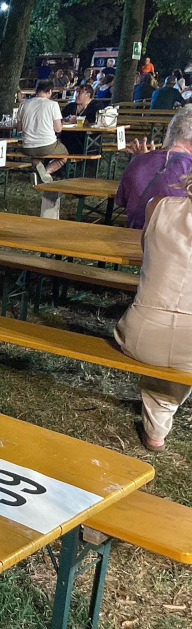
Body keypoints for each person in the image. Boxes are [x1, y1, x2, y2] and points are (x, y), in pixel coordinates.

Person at [114, 175, 192, 452]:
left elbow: (147, 248)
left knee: (168, 343)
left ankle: (157, 428)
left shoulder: (157, 205)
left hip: (140, 331)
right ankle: (157, 425)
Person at [116, 107, 192, 229]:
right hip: (173, 237)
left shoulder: (138, 161)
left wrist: (147, 160)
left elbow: (121, 201)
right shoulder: (188, 167)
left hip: (137, 232)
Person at [17, 79, 68, 181]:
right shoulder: (53, 104)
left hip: (27, 146)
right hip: (47, 145)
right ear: (50, 91)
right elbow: (58, 129)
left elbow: (19, 129)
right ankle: (45, 172)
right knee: (64, 156)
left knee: (35, 156)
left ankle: (41, 173)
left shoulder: (23, 104)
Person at [59, 84, 101, 154]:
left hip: (88, 139)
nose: (76, 95)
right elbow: (60, 118)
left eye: (80, 93)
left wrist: (77, 120)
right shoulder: (71, 106)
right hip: (68, 137)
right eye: (76, 92)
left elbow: (93, 121)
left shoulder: (96, 106)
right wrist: (66, 120)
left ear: (87, 95)